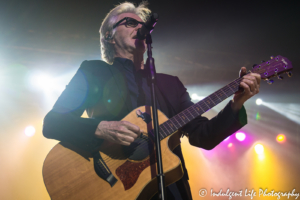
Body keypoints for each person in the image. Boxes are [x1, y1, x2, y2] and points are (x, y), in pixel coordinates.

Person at [43, 2, 261, 200]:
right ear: (109, 36)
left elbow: (203, 136)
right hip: (112, 188)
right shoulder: (94, 72)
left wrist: (236, 104)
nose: (139, 27)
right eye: (129, 22)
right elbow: (52, 123)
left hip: (172, 191)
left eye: (142, 24)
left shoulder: (170, 85)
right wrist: (100, 127)